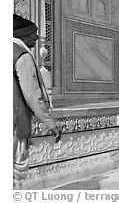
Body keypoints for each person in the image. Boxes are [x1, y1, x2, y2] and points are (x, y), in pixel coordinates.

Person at [13, 14, 62, 189]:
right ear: (23, 35)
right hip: (14, 125)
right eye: (34, 34)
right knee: (16, 173)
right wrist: (51, 123)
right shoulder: (21, 55)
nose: (36, 38)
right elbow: (32, 95)